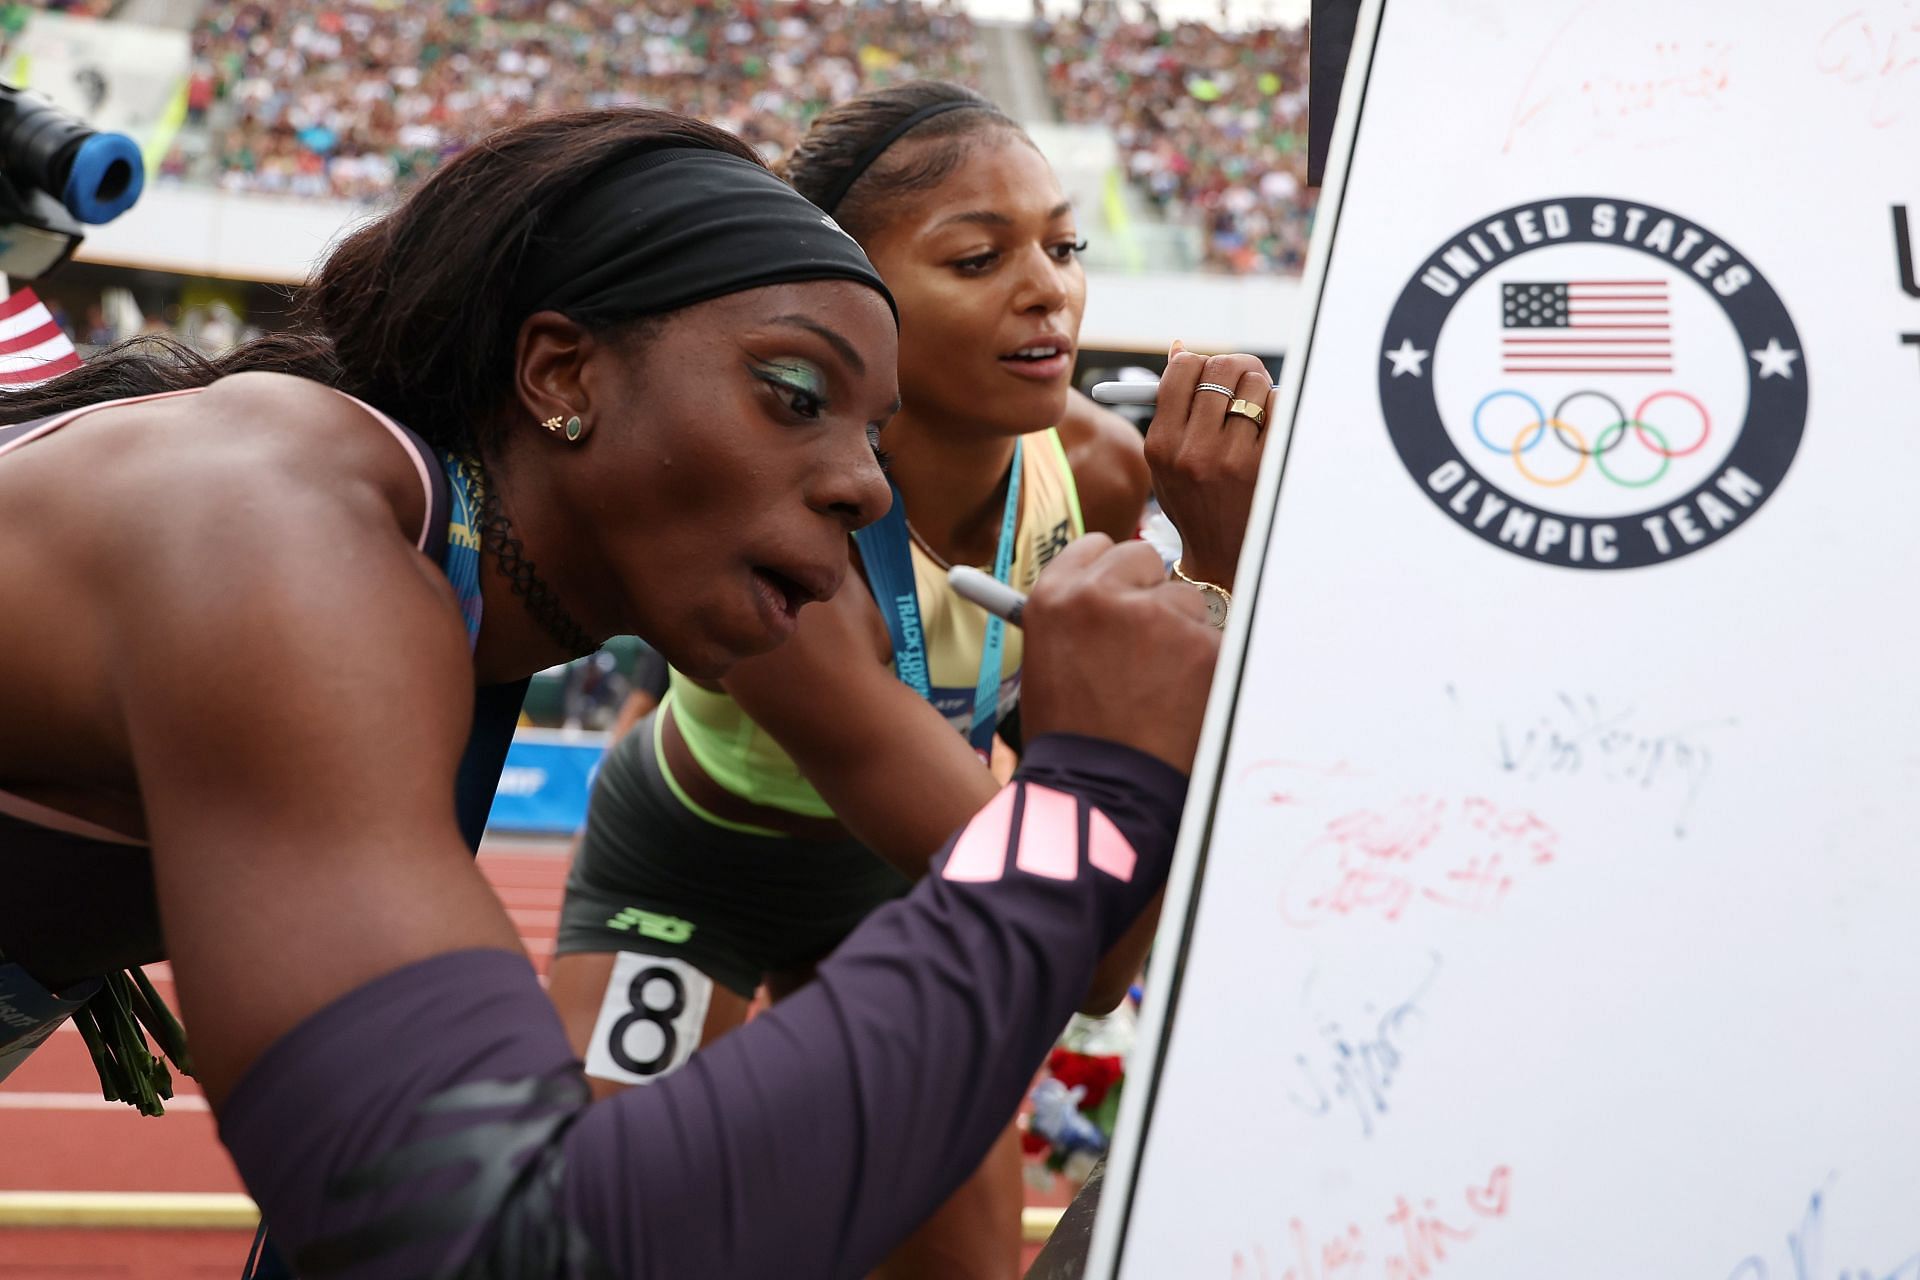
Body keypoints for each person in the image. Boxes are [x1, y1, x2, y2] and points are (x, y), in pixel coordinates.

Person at [0, 105, 1222, 1278]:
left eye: (872, 432)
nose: (862, 486)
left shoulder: (421, 552)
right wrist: (1093, 796)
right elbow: (494, 1245)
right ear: (559, 370)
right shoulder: (279, 536)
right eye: (795, 395)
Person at [547, 82, 1273, 1278]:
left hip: (902, 878)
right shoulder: (780, 512)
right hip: (694, 856)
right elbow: (1080, 916)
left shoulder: (1090, 468)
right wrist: (1215, 575)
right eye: (981, 256)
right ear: (849, 290)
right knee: (602, 1248)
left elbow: (1093, 936)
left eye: (1064, 244)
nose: (1050, 288)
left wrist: (1226, 573)